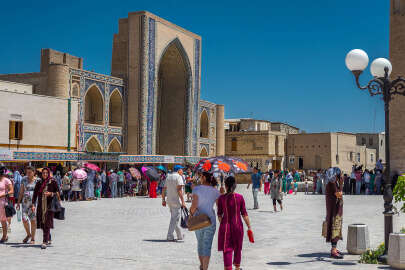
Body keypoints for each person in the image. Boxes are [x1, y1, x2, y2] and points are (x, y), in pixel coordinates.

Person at [218, 176, 251, 270]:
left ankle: (228, 268)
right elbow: (244, 214)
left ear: (226, 186)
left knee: (227, 249)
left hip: (225, 226)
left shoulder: (222, 198)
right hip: (238, 226)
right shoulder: (240, 197)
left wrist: (223, 223)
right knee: (237, 247)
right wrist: (249, 227)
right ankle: (237, 267)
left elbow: (219, 214)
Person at [190, 172, 220, 270]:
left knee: (200, 244)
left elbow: (194, 206)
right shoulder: (215, 191)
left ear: (203, 178)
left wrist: (190, 214)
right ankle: (205, 267)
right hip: (210, 220)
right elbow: (220, 208)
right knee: (207, 246)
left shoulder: (196, 189)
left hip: (198, 220)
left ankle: (202, 266)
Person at [32, 167, 60, 249]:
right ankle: (48, 236)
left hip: (50, 206)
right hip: (40, 206)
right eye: (43, 173)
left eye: (46, 173)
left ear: (49, 173)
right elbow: (35, 195)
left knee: (47, 223)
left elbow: (58, 192)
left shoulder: (53, 182)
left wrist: (51, 193)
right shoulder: (39, 182)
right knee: (42, 223)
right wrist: (33, 204)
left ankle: (44, 241)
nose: (45, 174)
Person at [162, 165, 186, 241]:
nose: (182, 171)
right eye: (182, 170)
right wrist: (183, 202)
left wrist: (163, 200)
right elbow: (179, 190)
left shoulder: (168, 176)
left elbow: (164, 189)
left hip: (169, 200)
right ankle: (169, 235)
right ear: (178, 170)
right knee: (174, 219)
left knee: (175, 218)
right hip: (176, 201)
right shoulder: (178, 177)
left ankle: (180, 236)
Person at [324, 167, 344, 259]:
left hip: (334, 209)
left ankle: (334, 249)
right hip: (334, 211)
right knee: (334, 229)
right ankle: (333, 251)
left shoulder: (332, 183)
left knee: (335, 229)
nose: (339, 176)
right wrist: (341, 184)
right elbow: (339, 194)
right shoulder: (332, 184)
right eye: (338, 175)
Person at [16, 166, 37, 244]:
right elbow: (21, 192)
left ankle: (33, 238)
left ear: (33, 172)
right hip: (25, 203)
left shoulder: (37, 180)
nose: (27, 174)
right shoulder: (24, 179)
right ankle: (28, 234)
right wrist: (18, 203)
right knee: (24, 220)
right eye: (26, 172)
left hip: (34, 203)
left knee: (33, 220)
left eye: (29, 172)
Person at [0, 167, 14, 243]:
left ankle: (4, 236)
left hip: (2, 202)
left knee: (2, 220)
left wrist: (3, 194)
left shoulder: (6, 180)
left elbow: (12, 190)